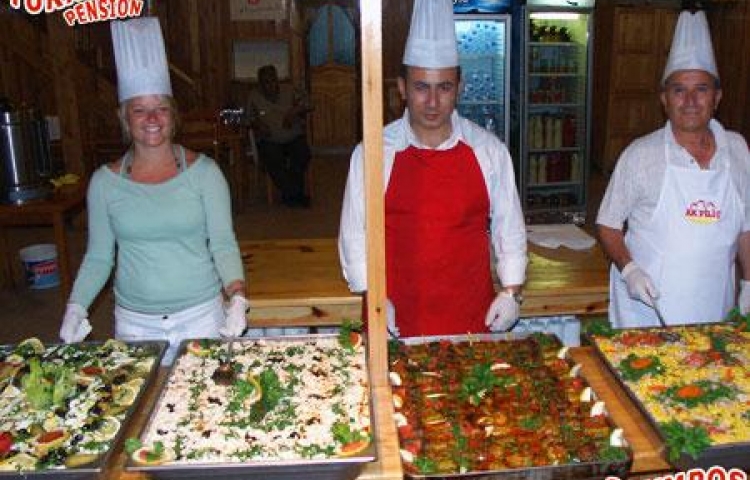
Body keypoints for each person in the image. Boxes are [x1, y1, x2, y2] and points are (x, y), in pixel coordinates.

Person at [58, 18, 249, 363]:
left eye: (161, 108)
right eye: (140, 110)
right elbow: (100, 256)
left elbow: (222, 242)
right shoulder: (104, 182)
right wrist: (76, 306)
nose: (152, 118)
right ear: (125, 117)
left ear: (173, 116)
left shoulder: (205, 174)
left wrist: (236, 294)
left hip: (202, 315)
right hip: (135, 324)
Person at [338, 0, 527, 337]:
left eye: (444, 88)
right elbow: (354, 234)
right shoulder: (373, 153)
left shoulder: (489, 151)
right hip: (393, 312)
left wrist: (512, 292)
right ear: (401, 88)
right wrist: (373, 297)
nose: (432, 102)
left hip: (471, 313)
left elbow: (508, 226)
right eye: (421, 87)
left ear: (460, 88)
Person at [597, 10, 750, 328]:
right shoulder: (641, 155)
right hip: (648, 314)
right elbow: (608, 224)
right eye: (679, 90)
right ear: (665, 99)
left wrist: (749, 282)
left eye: (702, 89)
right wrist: (629, 270)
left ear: (717, 97)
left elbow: (746, 228)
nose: (690, 100)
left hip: (715, 313)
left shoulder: (737, 149)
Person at [247, 64, 313, 208]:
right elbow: (247, 118)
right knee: (273, 160)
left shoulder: (289, 90)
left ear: (277, 80)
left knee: (302, 154)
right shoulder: (254, 96)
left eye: (272, 80)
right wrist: (258, 124)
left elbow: (309, 104)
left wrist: (294, 111)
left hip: (293, 137)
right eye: (265, 82)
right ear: (260, 83)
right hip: (270, 139)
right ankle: (295, 195)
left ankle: (290, 195)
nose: (269, 85)